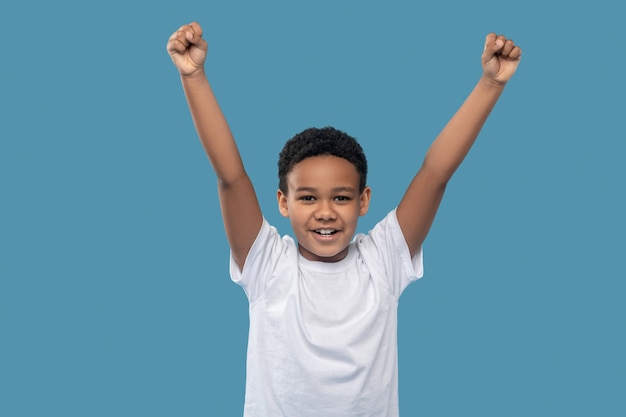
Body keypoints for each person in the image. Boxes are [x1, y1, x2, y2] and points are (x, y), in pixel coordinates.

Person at [167, 21, 521, 417]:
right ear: (283, 203)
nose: (325, 212)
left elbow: (435, 173)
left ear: (363, 201)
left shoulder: (382, 260)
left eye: (340, 197)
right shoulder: (267, 264)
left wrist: (491, 84)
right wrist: (193, 76)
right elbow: (231, 176)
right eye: (307, 197)